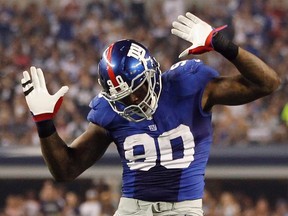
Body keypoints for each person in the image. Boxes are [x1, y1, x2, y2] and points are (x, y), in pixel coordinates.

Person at [21, 12, 280, 216]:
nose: (134, 100)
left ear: (152, 71)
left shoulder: (190, 85)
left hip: (184, 209)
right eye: (123, 97)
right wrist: (44, 122)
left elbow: (267, 83)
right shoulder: (110, 110)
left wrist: (221, 44)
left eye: (137, 89)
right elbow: (66, 170)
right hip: (132, 209)